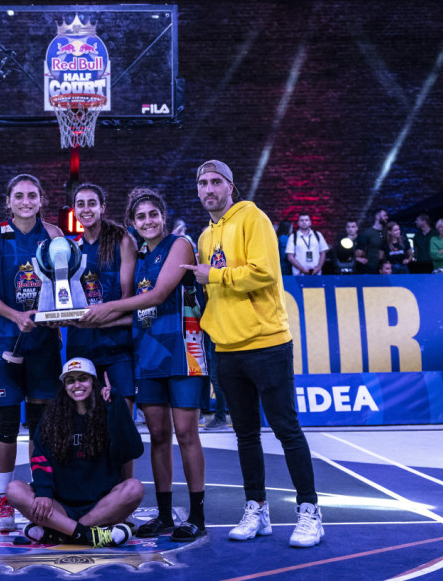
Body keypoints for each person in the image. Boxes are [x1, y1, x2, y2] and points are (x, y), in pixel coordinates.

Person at [184, 159, 323, 548]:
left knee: (286, 429)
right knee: (244, 435)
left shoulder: (253, 218)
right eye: (202, 183)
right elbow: (214, 291)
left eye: (216, 182)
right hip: (226, 348)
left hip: (267, 342)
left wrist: (213, 275)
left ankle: (310, 511)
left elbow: (264, 272)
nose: (208, 189)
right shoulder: (205, 237)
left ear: (230, 186)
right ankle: (257, 508)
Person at [83, 187, 208, 543]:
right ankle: (165, 515)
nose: (148, 221)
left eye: (154, 214)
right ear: (132, 223)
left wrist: (107, 308)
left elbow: (157, 296)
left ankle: (197, 515)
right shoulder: (138, 258)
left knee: (186, 433)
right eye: (141, 217)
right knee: (158, 435)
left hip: (183, 350)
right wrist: (86, 321)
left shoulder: (179, 245)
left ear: (163, 217)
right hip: (148, 354)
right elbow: (138, 314)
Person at [0, 174, 65, 533]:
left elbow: (64, 286)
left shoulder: (55, 235)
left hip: (43, 342)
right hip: (5, 342)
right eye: (19, 196)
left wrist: (50, 315)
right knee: (7, 424)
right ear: (8, 201)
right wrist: (16, 316)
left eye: (32, 195)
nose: (26, 201)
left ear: (41, 199)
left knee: (42, 426)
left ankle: (40, 494)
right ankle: (3, 499)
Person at [6, 357, 144, 548]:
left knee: (134, 488)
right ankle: (87, 535)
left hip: (101, 505)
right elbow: (40, 457)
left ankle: (60, 532)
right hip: (60, 506)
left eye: (83, 378)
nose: (77, 385)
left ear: (93, 382)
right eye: (70, 380)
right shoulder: (52, 416)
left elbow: (132, 450)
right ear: (64, 386)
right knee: (14, 489)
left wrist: (117, 406)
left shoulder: (109, 410)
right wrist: (43, 492)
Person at [67, 184, 138, 409]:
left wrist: (99, 319)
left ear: (102, 208)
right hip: (81, 343)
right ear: (74, 210)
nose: (86, 209)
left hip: (117, 343)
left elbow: (128, 298)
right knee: (86, 416)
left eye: (92, 203)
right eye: (80, 204)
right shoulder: (70, 248)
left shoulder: (123, 241)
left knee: (121, 414)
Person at [356, 208, 388, 274]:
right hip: (371, 267)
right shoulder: (368, 233)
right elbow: (360, 251)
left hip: (386, 268)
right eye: (384, 215)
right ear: (377, 216)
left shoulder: (387, 232)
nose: (386, 217)